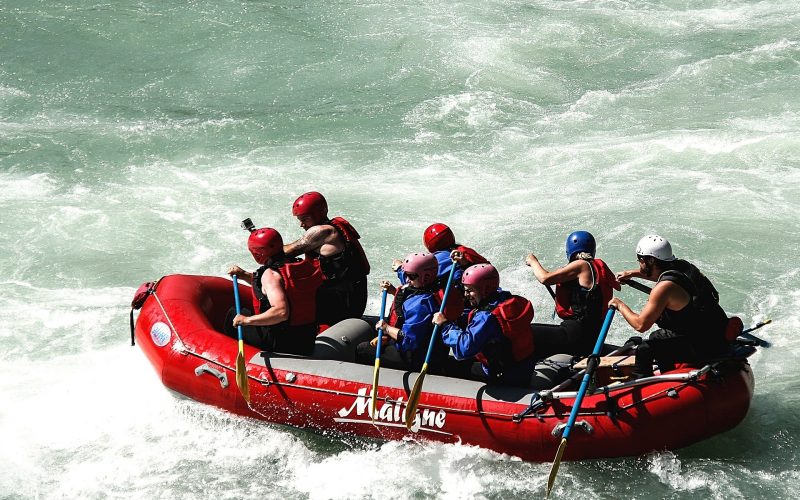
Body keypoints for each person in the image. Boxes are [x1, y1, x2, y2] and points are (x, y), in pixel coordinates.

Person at [609, 235, 730, 379]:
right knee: (657, 336)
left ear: (651, 260)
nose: (640, 264)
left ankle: (640, 383)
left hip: (703, 344)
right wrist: (631, 274)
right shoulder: (684, 266)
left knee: (645, 349)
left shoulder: (663, 289)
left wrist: (620, 305)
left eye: (641, 260)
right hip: (714, 329)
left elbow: (640, 325)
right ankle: (669, 372)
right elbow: (660, 273)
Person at [432, 263, 537, 386]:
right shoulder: (507, 298)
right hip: (523, 366)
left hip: (502, 375)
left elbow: (463, 350)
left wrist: (445, 325)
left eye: (470, 291)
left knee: (449, 365)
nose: (465, 295)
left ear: (484, 289)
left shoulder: (486, 317)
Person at [225, 226, 324, 355]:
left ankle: (233, 357)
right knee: (246, 313)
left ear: (257, 254)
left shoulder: (270, 274)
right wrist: (243, 275)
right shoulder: (297, 265)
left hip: (282, 343)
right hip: (307, 339)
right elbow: (282, 287)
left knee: (233, 314)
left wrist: (247, 320)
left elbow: (281, 312)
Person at [526, 231, 620, 357]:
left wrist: (533, 262)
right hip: (593, 337)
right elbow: (617, 285)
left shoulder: (581, 265)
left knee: (525, 331)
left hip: (575, 335)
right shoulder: (596, 266)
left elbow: (545, 278)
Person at [283, 191, 370, 326]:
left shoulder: (322, 231)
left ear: (320, 213)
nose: (301, 224)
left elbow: (287, 252)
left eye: (305, 219)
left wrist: (267, 243)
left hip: (343, 303)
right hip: (352, 295)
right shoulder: (335, 226)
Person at [355, 252, 446, 372]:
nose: (407, 279)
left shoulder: (421, 305)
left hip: (414, 356)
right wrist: (393, 287)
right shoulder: (422, 285)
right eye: (406, 274)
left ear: (426, 276)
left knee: (362, 349)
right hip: (412, 347)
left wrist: (386, 329)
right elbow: (407, 278)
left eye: (411, 276)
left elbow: (408, 340)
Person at [393, 223, 488, 320]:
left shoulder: (439, 259)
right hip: (477, 299)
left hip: (461, 308)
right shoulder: (465, 251)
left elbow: (418, 281)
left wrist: (400, 269)